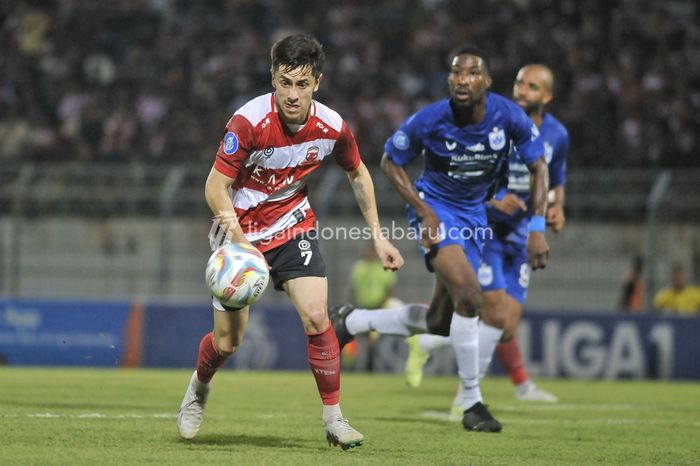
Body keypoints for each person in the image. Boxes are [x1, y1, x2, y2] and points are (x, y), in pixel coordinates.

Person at [176, 34, 404, 449]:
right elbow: (214, 187)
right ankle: (199, 387)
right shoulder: (248, 122)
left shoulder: (331, 126)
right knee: (229, 342)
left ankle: (334, 419)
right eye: (284, 83)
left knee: (317, 316)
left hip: (291, 224)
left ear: (317, 81)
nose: (292, 95)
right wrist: (241, 244)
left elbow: (358, 173)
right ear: (273, 79)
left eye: (302, 84)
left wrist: (378, 236)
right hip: (238, 233)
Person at [330, 46, 550, 433]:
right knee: (469, 294)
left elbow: (539, 165)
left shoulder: (507, 116)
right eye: (455, 73)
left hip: (475, 216)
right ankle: (472, 403)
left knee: (439, 322)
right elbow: (389, 161)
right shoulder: (431, 119)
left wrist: (536, 229)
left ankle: (353, 320)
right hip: (435, 210)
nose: (462, 80)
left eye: (471, 74)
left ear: (486, 82)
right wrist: (424, 209)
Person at [404, 64, 568, 406]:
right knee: (488, 310)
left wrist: (557, 208)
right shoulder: (498, 123)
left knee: (505, 326)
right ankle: (470, 396)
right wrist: (493, 199)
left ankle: (430, 342)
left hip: (521, 233)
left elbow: (554, 178)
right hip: (488, 227)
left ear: (547, 96)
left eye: (533, 87)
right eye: (520, 82)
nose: (523, 90)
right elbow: (471, 170)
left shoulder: (558, 136)